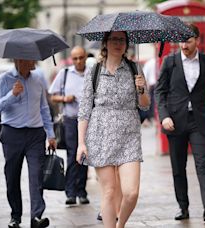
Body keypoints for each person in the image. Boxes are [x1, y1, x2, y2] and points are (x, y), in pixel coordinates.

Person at [76, 31, 150, 228]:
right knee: (109, 191)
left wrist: (141, 89)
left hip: (129, 135)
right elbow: (84, 110)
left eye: (122, 40)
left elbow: (144, 105)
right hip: (101, 134)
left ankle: (120, 224)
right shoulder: (94, 71)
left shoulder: (135, 68)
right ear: (106, 43)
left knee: (131, 192)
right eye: (114, 40)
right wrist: (81, 143)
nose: (118, 43)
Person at [155, 24, 205, 222]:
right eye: (181, 41)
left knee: (203, 163)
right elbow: (160, 92)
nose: (184, 45)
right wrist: (164, 116)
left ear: (197, 41)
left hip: (199, 121)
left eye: (188, 41)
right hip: (175, 122)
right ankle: (182, 207)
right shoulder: (169, 62)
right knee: (178, 167)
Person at [0, 59, 56, 228]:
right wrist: (12, 95)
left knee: (36, 175)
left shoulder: (38, 78)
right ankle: (15, 216)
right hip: (12, 133)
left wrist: (50, 133)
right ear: (19, 59)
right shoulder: (4, 80)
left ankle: (36, 216)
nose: (34, 60)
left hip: (35, 134)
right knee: (12, 176)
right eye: (30, 57)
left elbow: (44, 108)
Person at [48, 46, 90, 205]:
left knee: (85, 156)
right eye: (75, 58)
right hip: (71, 120)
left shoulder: (92, 74)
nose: (78, 61)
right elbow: (53, 97)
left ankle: (82, 191)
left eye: (81, 57)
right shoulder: (65, 73)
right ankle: (70, 192)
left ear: (85, 57)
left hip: (88, 121)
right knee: (73, 155)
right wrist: (65, 99)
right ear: (72, 59)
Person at [142, 57, 157, 123]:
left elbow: (144, 76)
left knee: (151, 102)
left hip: (152, 85)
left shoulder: (149, 63)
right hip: (158, 84)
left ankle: (151, 117)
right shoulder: (157, 62)